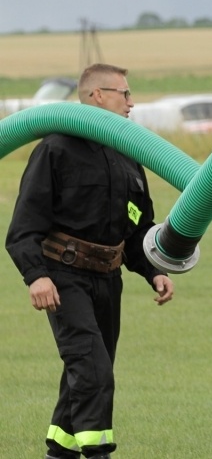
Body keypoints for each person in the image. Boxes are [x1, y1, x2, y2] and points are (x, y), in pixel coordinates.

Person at [5, 63, 174, 459]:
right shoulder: (55, 148)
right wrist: (36, 276)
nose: (132, 103)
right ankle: (99, 453)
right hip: (63, 277)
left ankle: (59, 450)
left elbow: (137, 228)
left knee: (87, 370)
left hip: (107, 279)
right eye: (124, 94)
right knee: (93, 369)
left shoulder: (128, 154)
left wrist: (154, 272)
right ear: (96, 96)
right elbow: (22, 228)